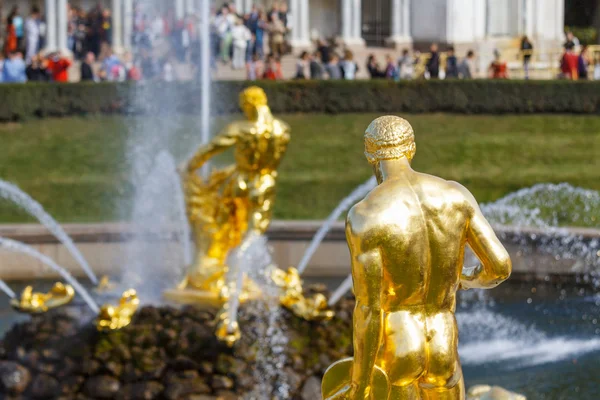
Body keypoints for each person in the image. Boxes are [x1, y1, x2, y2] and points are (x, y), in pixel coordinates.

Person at [322, 116, 511, 399]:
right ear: (411, 148)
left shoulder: (365, 215)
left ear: (370, 153)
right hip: (443, 341)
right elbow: (499, 267)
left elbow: (369, 310)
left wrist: (360, 384)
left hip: (398, 347)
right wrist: (465, 280)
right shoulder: (456, 195)